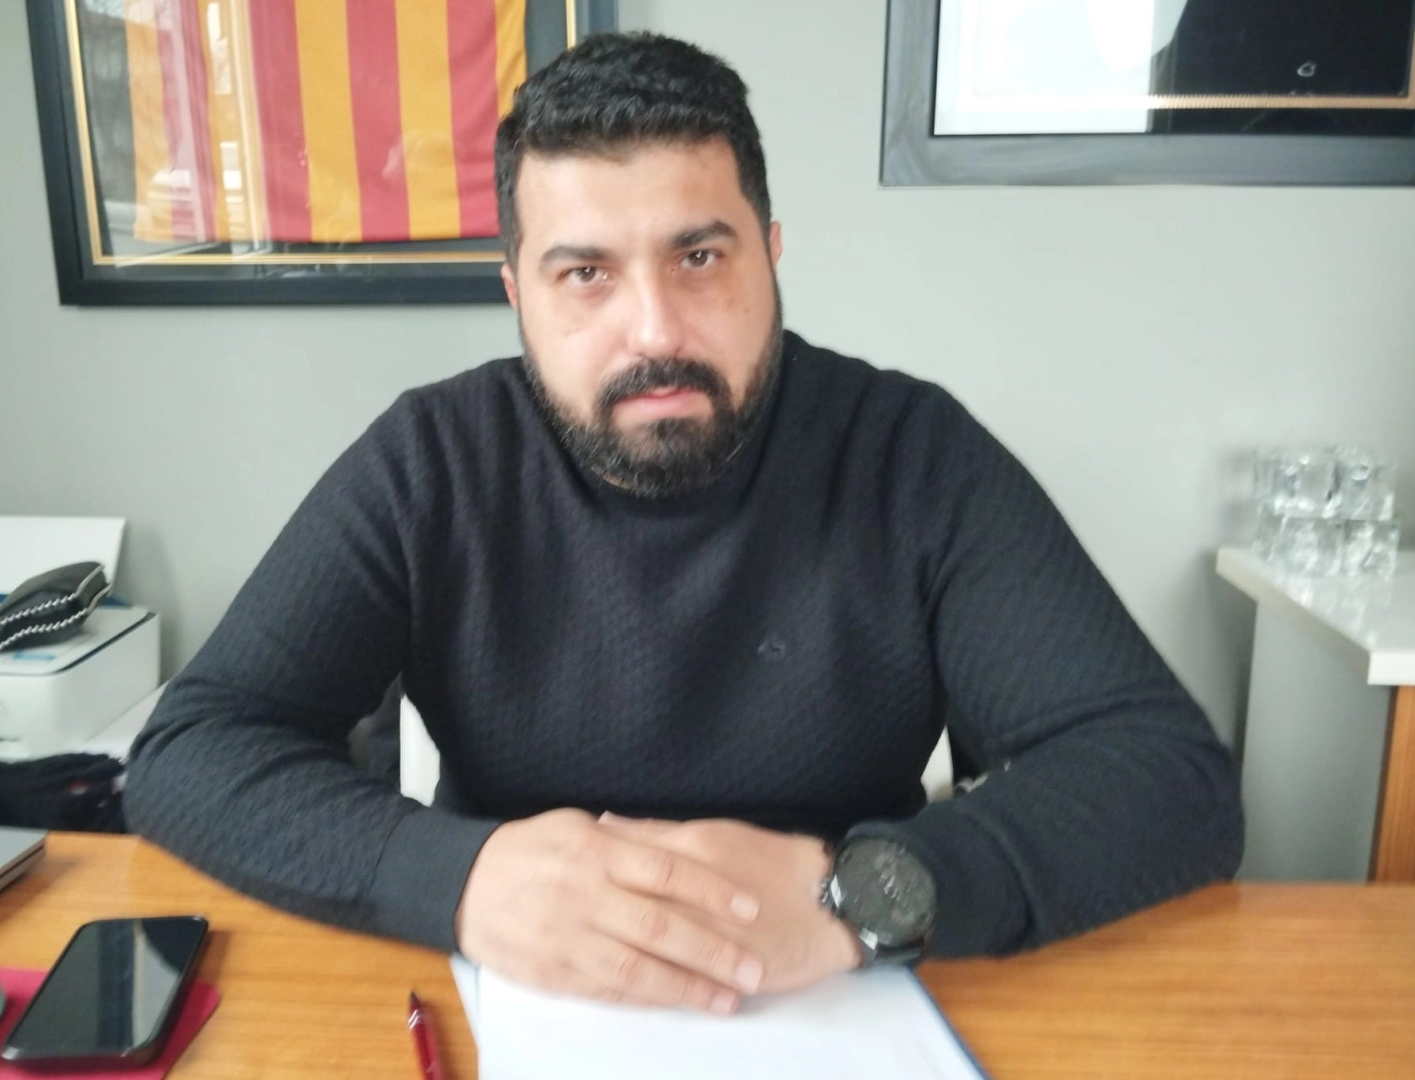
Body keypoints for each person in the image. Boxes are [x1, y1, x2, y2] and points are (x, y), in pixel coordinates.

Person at [125, 32, 1242, 1016]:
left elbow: (1168, 777)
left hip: (843, 997)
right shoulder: (433, 463)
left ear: (771, 251)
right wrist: (458, 879)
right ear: (516, 293)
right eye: (586, 274)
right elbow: (194, 748)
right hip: (516, 1001)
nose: (655, 330)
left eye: (699, 258)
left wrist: (865, 892)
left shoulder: (911, 454)